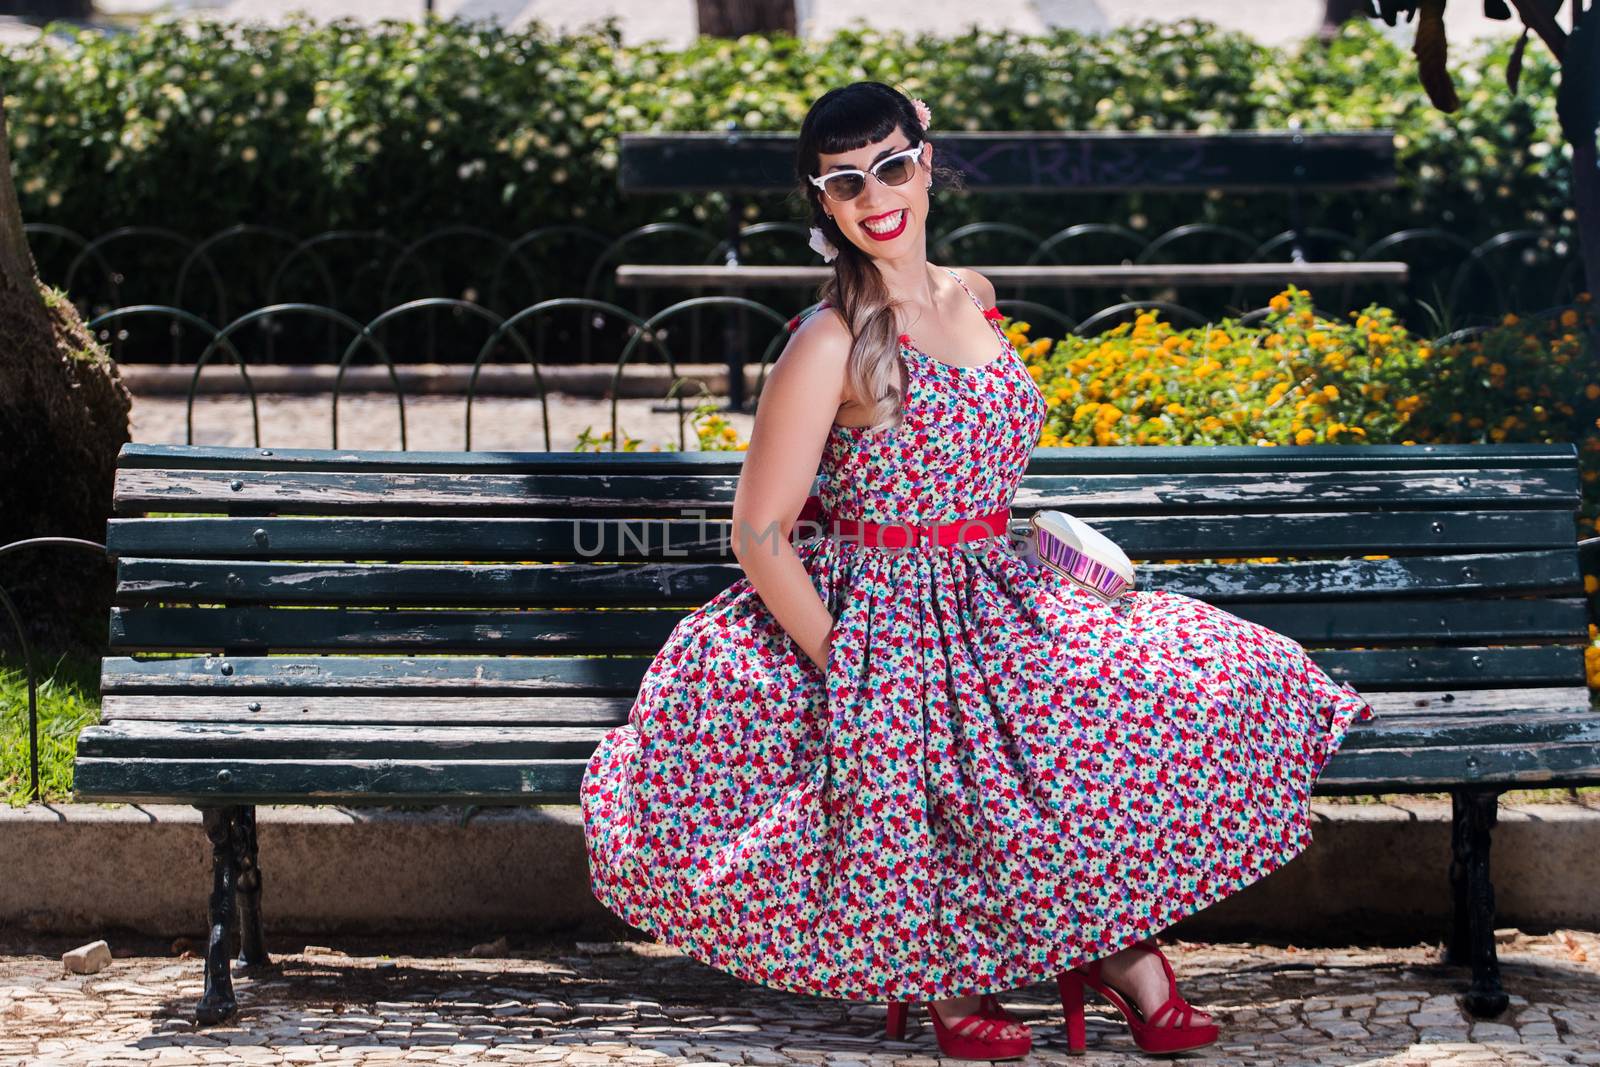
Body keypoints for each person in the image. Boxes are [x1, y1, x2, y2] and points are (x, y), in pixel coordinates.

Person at [581, 80, 1378, 1060]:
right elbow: (758, 533)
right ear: (821, 201)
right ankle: (979, 972)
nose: (876, 194)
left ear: (928, 160)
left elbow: (983, 476)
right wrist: (848, 660)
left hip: (994, 582)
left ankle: (1110, 946)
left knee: (1188, 675)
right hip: (878, 607)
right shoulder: (829, 339)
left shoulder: (974, 295)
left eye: (892, 164)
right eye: (844, 181)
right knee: (948, 741)